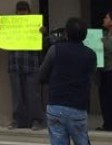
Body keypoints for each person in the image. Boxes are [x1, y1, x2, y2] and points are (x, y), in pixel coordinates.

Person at [39, 17, 96, 145]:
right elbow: (91, 77)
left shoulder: (55, 50)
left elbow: (42, 75)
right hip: (78, 107)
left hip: (55, 106)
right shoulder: (91, 55)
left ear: (66, 33)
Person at [0, 0, 45, 130]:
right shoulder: (12, 26)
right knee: (17, 95)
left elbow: (44, 44)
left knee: (32, 94)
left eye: (24, 10)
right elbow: (2, 41)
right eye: (19, 11)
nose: (21, 13)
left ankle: (36, 120)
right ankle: (18, 121)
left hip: (31, 65)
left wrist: (43, 33)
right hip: (15, 64)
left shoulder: (35, 26)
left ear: (29, 11)